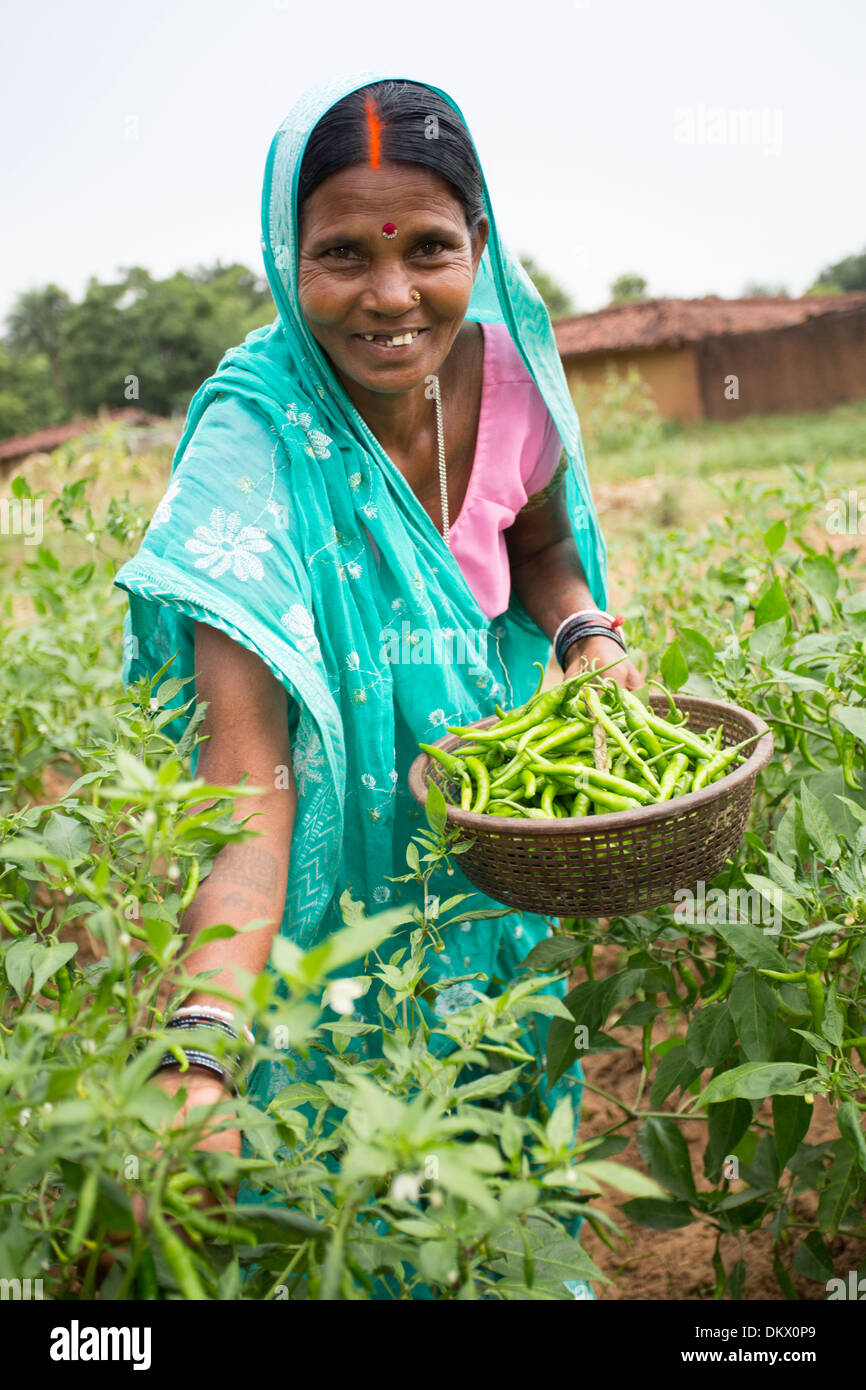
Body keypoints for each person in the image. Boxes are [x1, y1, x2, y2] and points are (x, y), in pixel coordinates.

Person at [114, 69, 642, 1244]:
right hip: (329, 883)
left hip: (497, 838)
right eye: (342, 253)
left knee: (497, 1134)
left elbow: (542, 539)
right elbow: (246, 765)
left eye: (430, 249)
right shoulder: (256, 441)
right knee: (350, 1177)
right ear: (283, 255)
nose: (390, 294)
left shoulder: (512, 386)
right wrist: (201, 1041)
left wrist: (582, 631)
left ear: (480, 244)